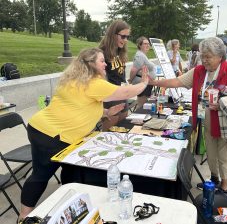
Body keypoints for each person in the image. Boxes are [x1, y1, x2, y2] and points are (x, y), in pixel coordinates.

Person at [18, 48, 149, 221]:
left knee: (70, 170)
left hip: (46, 129)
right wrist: (144, 83)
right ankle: (24, 216)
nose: (105, 64)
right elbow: (125, 92)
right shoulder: (93, 83)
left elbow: (80, 105)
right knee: (42, 174)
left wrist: (107, 112)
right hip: (51, 135)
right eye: (101, 61)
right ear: (91, 64)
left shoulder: (76, 80)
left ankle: (70, 203)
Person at [149, 37, 227, 196]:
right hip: (207, 121)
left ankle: (224, 188)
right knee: (211, 153)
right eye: (203, 56)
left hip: (225, 124)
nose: (205, 60)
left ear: (220, 56)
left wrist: (223, 102)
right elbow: (177, 82)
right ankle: (214, 180)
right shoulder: (199, 71)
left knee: (225, 157)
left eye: (208, 57)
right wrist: (153, 82)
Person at [99, 19, 131, 130]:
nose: (125, 40)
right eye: (123, 36)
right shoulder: (101, 52)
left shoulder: (120, 51)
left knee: (122, 128)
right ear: (113, 34)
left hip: (122, 94)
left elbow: (120, 74)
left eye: (127, 37)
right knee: (108, 133)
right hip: (111, 97)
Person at [128, 36, 156, 108]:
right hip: (142, 83)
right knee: (141, 105)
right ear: (140, 45)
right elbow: (134, 70)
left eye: (148, 44)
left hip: (146, 82)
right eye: (145, 44)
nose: (147, 45)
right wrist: (130, 80)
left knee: (143, 104)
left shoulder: (143, 55)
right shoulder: (140, 55)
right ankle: (138, 118)